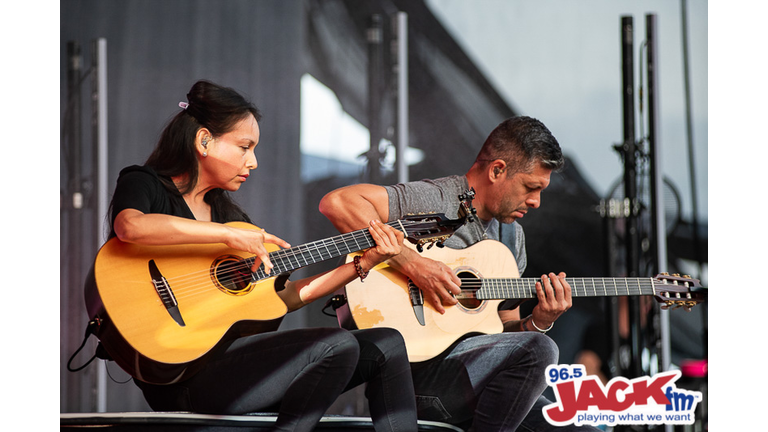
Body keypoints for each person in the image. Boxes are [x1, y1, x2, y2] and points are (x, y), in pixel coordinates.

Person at [103, 80, 417, 432]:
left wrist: (364, 263)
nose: (252, 162)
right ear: (204, 141)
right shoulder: (145, 183)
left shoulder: (232, 218)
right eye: (244, 147)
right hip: (182, 378)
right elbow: (130, 226)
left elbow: (284, 297)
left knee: (387, 343)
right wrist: (227, 234)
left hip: (238, 370)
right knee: (337, 344)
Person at [320, 116, 601, 431]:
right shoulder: (439, 199)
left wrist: (539, 322)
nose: (536, 202)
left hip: (475, 380)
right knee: (542, 350)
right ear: (497, 170)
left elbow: (502, 331)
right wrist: (414, 265)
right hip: (415, 380)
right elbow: (338, 202)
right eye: (530, 188)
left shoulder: (512, 237)